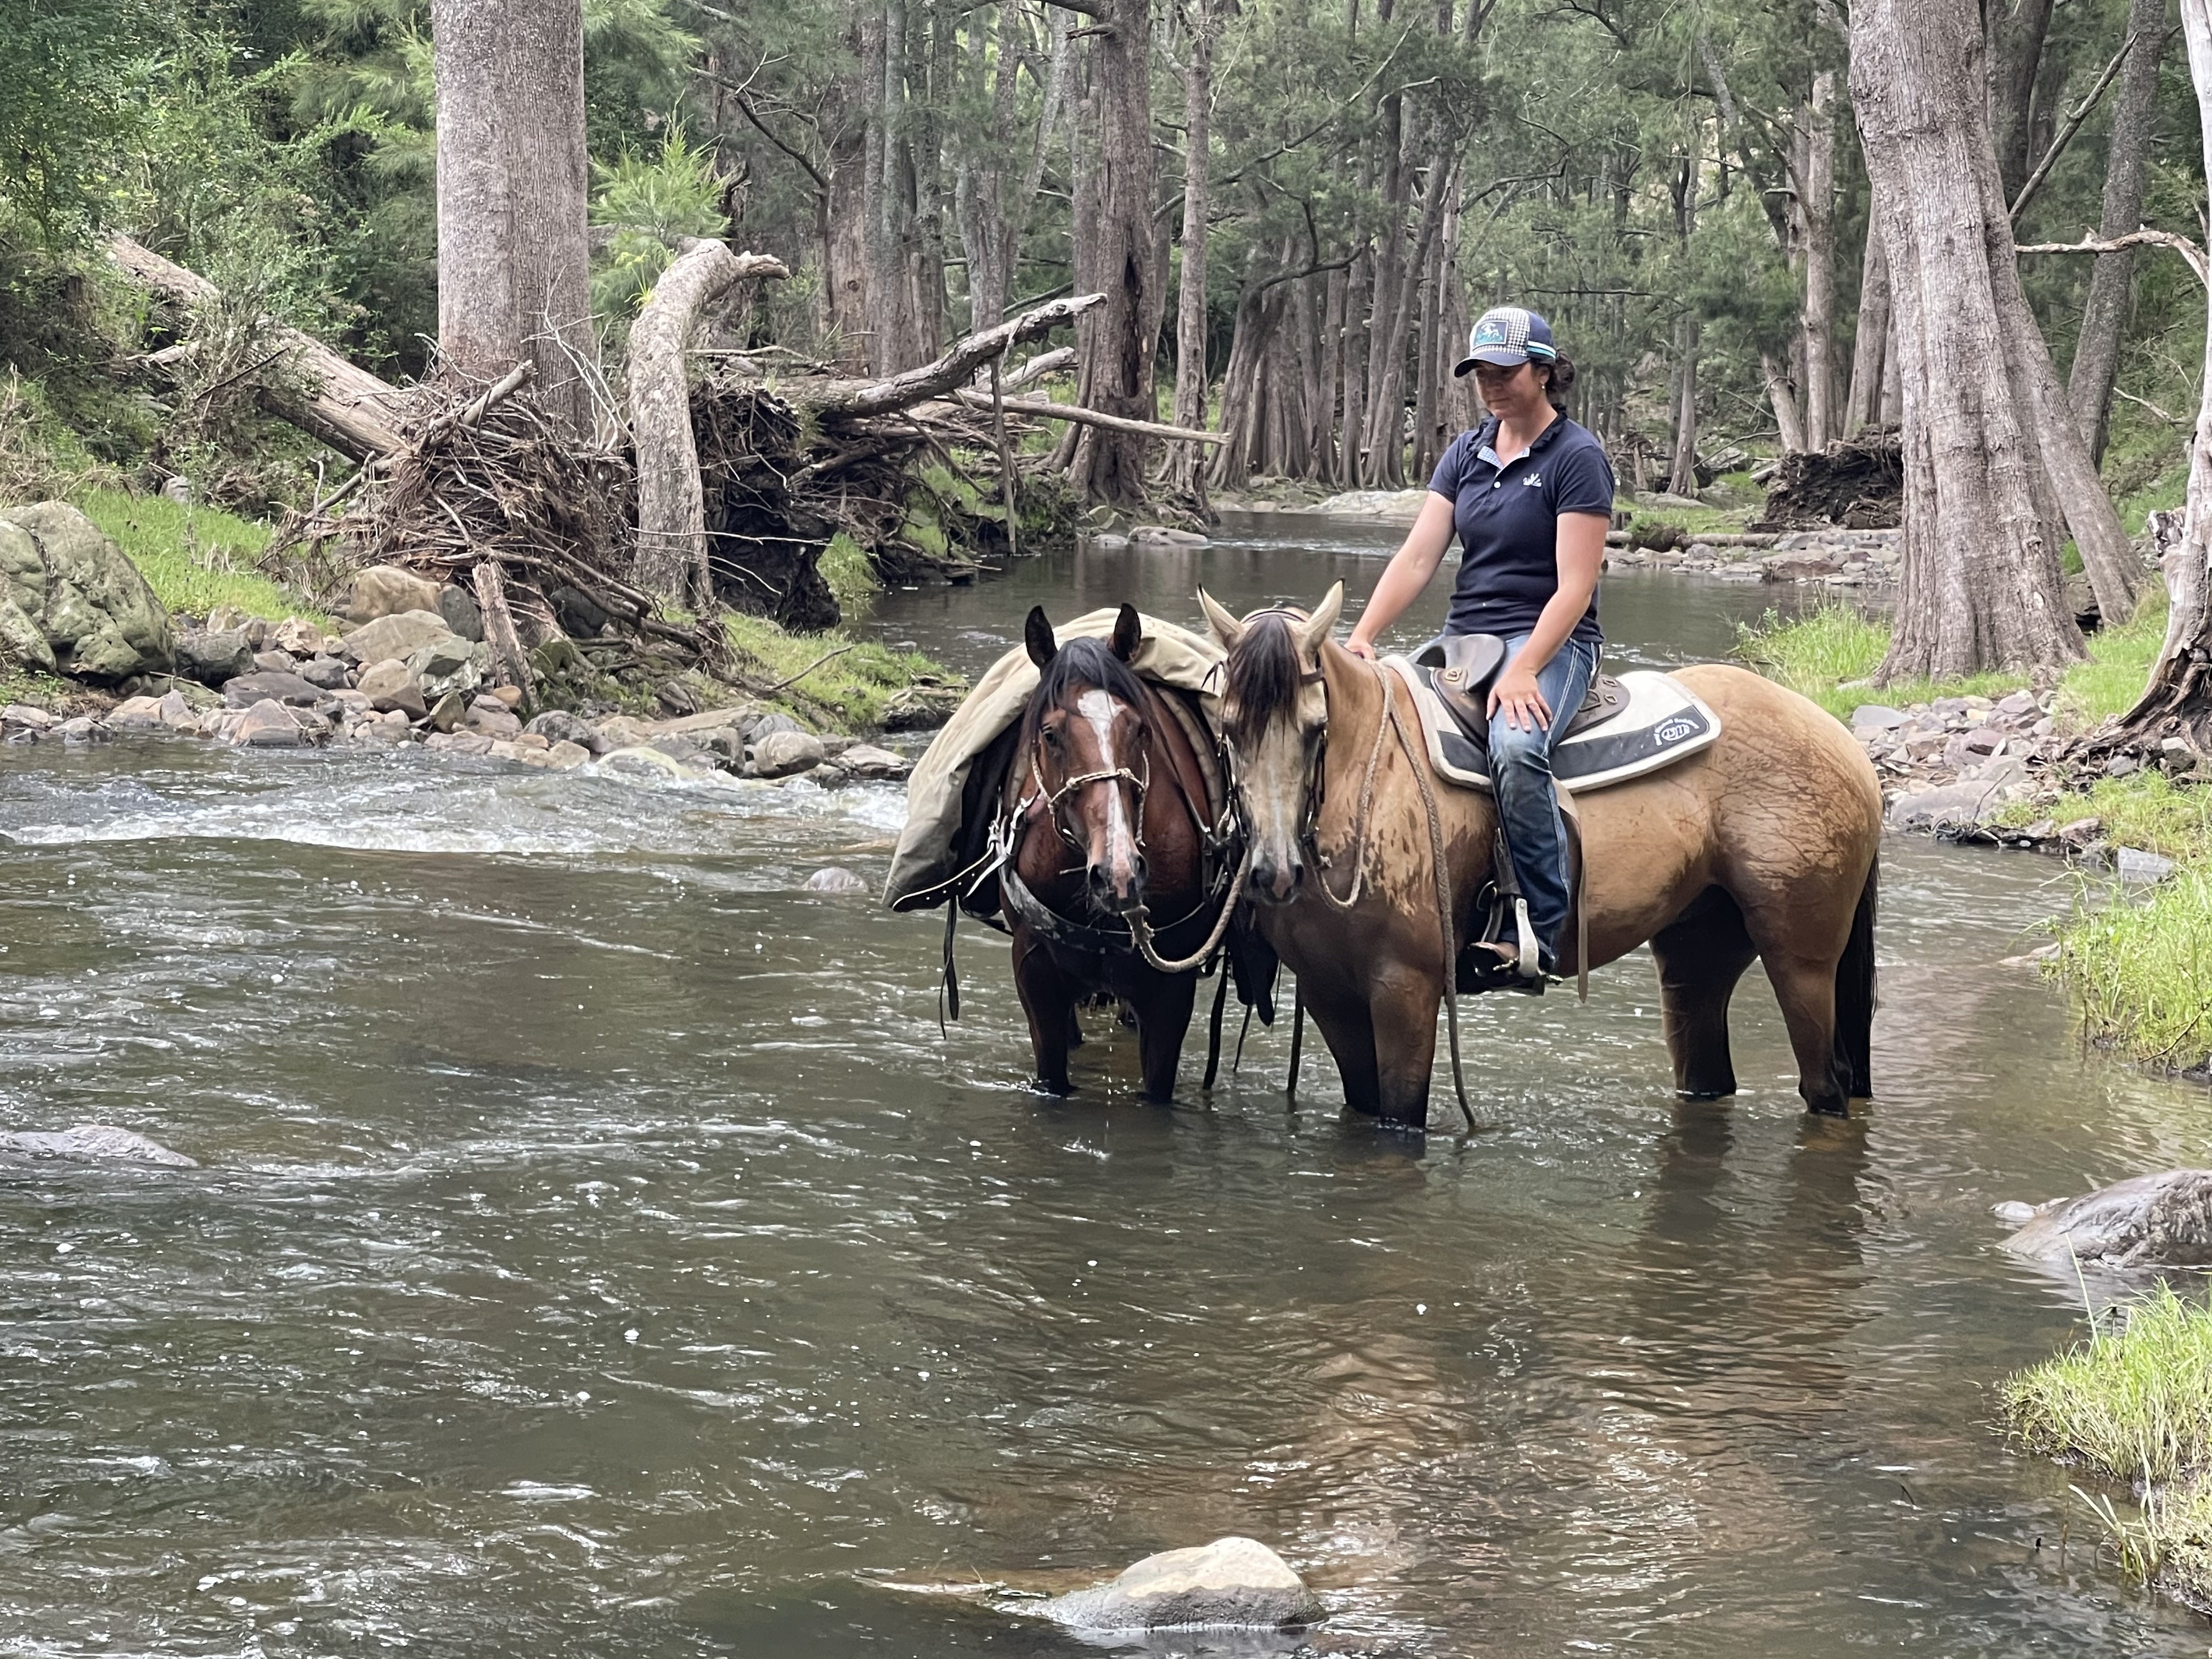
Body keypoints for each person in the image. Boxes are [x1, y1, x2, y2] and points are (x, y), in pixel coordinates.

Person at [1344, 305, 1613, 986]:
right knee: (1375, 721)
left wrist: (1526, 669)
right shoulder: (1466, 453)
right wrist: (1363, 636)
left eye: (1505, 372)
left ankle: (1539, 932)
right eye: (1480, 373)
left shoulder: (1577, 457)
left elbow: (1576, 587)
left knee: (1516, 748)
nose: (1491, 385)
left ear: (1544, 372)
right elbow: (1417, 559)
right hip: (1465, 641)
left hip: (1552, 640)